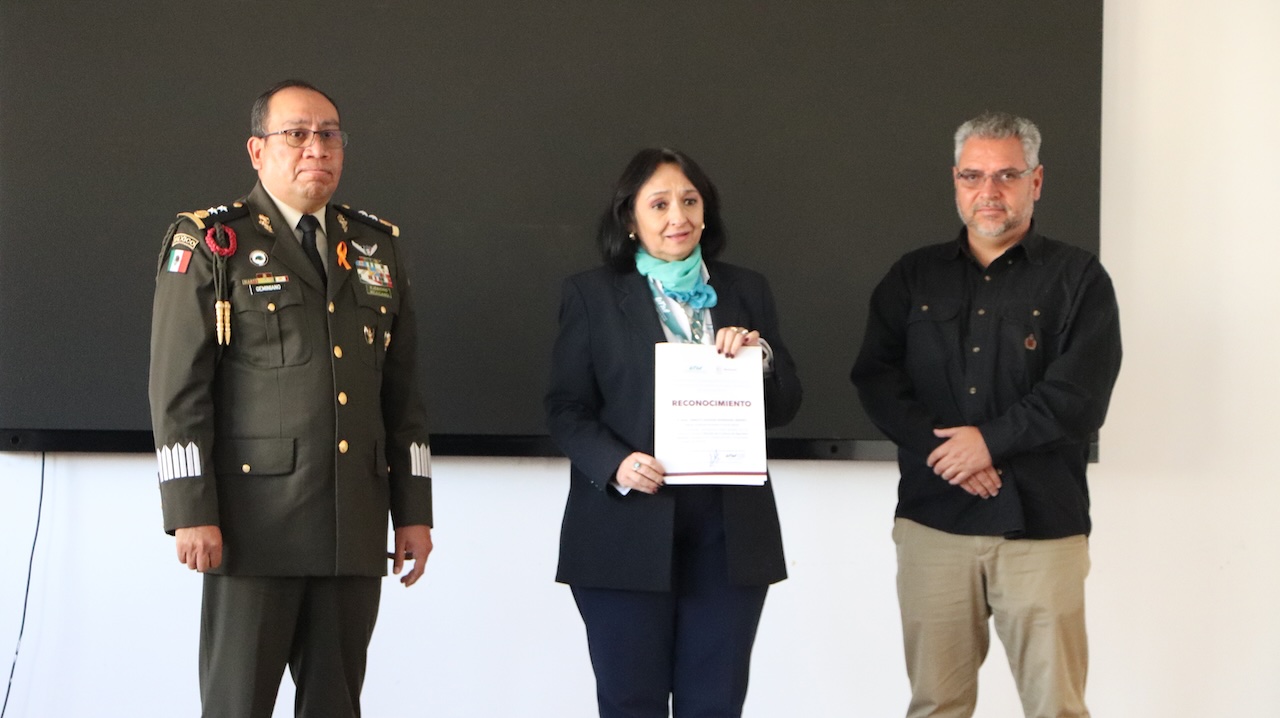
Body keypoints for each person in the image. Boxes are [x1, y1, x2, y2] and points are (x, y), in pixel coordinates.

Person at [148, 79, 434, 718]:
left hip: (353, 521)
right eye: (297, 134)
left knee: (336, 706)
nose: (317, 148)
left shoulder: (375, 246)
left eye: (329, 134)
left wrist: (413, 509)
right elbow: (178, 391)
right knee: (237, 705)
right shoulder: (210, 244)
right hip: (254, 524)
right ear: (257, 150)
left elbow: (404, 393)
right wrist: (189, 507)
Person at [851, 111, 1122, 718]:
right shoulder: (912, 276)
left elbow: (1080, 395)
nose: (988, 191)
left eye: (1007, 175)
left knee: (1057, 707)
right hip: (934, 525)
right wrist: (951, 453)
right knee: (936, 706)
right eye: (973, 176)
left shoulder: (1079, 280)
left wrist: (990, 443)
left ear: (1037, 181)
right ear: (955, 181)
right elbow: (876, 378)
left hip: (1042, 529)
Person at [545, 148, 802, 718]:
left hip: (728, 534)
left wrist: (758, 359)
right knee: (630, 701)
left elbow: (785, 407)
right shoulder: (590, 295)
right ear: (629, 219)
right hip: (625, 526)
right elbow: (565, 407)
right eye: (658, 204)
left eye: (689, 200)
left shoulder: (746, 289)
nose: (677, 216)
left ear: (706, 212)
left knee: (714, 703)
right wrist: (614, 463)